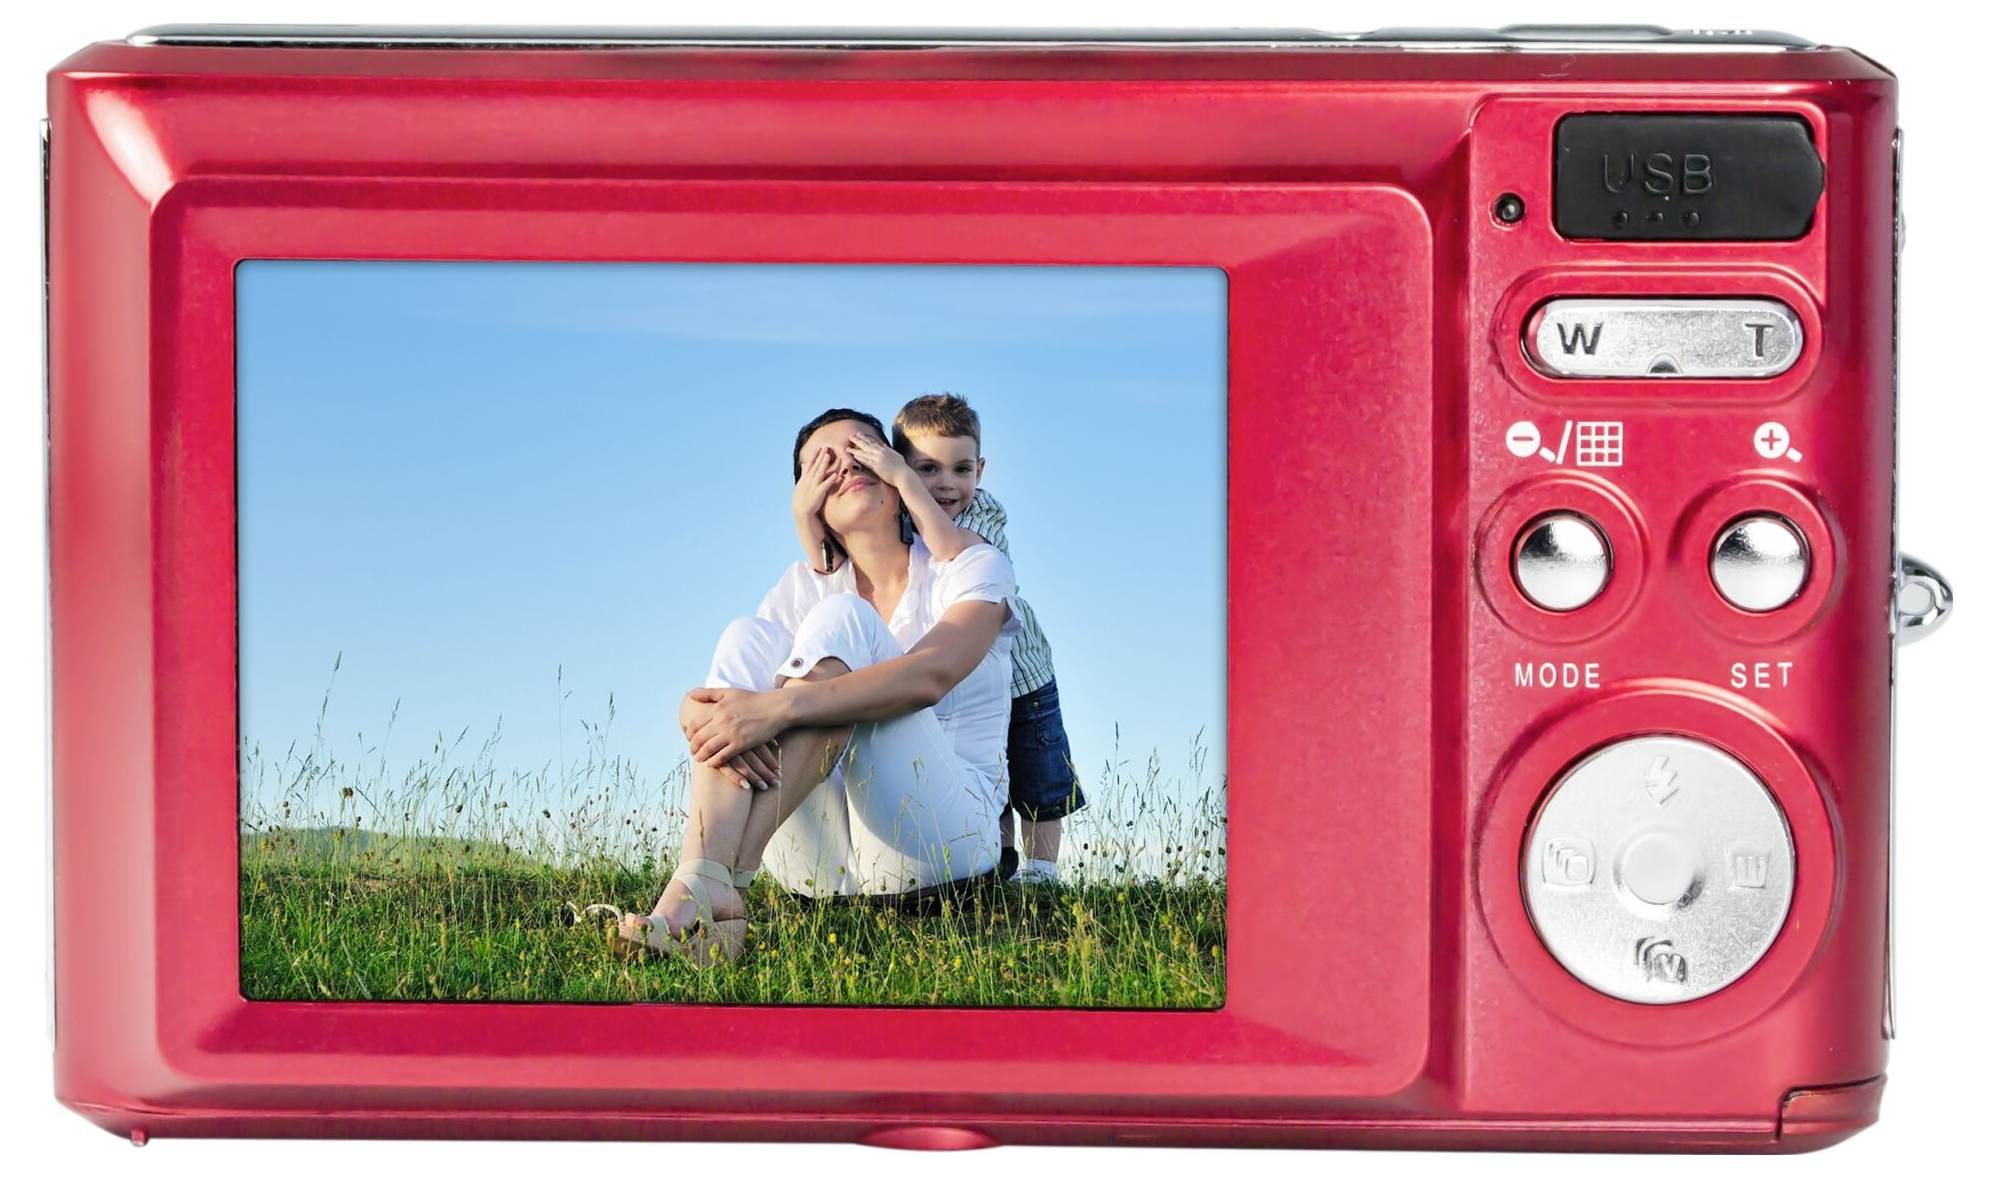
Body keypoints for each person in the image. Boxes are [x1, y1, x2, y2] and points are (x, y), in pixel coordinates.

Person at [616, 409, 1019, 963]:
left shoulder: (970, 563)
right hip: (820, 868)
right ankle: (708, 882)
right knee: (746, 636)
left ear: (898, 470)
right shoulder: (799, 586)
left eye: (860, 451)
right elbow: (737, 700)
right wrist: (694, 709)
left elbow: (932, 676)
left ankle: (717, 884)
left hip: (944, 842)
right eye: (823, 464)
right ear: (809, 499)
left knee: (843, 621)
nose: (846, 468)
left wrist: (777, 708)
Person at [885, 394, 1085, 885]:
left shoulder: (983, 513)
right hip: (963, 683)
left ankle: (1040, 873)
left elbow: (950, 547)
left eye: (961, 468)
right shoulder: (898, 516)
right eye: (927, 468)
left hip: (1021, 677)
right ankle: (998, 863)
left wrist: (907, 483)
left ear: (981, 468)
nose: (947, 483)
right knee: (980, 770)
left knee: (1037, 774)